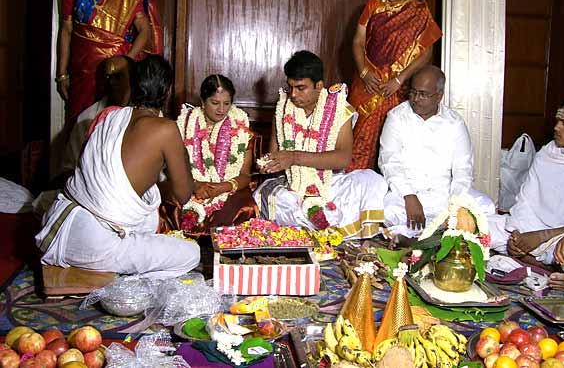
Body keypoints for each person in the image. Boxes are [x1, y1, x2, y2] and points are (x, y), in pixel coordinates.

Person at [35, 55, 200, 278]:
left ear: (132, 85)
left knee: (148, 209)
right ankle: (124, 287)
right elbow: (183, 194)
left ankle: (102, 264)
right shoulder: (166, 129)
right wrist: (182, 157)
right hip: (93, 242)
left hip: (56, 222)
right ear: (168, 90)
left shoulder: (110, 117)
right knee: (191, 253)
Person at [253, 50, 387, 239]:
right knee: (272, 196)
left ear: (319, 85)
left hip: (331, 183)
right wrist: (269, 165)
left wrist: (294, 157)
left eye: (301, 88)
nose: (293, 94)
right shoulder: (282, 109)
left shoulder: (339, 109)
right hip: (293, 184)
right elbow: (273, 156)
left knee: (372, 181)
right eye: (290, 87)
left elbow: (343, 159)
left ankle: (321, 229)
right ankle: (315, 231)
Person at [488, 98, 564, 293]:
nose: (557, 127)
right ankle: (535, 261)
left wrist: (542, 236)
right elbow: (526, 199)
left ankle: (534, 261)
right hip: (531, 229)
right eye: (557, 121)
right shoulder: (548, 152)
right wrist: (518, 233)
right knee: (480, 223)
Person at [347, 0, 442, 171]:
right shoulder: (373, 6)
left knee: (395, 144)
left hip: (397, 89)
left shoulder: (419, 13)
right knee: (360, 141)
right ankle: (357, 189)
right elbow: (358, 41)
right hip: (368, 86)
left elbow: (426, 53)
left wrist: (399, 80)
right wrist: (364, 72)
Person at [380, 66, 495, 239]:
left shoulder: (454, 123)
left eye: (423, 94)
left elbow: (463, 170)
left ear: (439, 96)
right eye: (412, 92)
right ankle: (433, 235)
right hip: (406, 195)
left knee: (487, 207)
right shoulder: (396, 117)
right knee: (387, 210)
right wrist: (409, 196)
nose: (416, 99)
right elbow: (389, 161)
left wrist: (455, 207)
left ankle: (418, 235)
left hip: (444, 195)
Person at [56, 0, 162, 120]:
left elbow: (144, 30)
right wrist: (62, 74)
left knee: (114, 123)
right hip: (83, 70)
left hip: (118, 74)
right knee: (80, 126)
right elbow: (66, 31)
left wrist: (126, 62)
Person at [159, 74, 257, 236]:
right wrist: (195, 185)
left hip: (227, 186)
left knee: (245, 206)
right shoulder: (183, 126)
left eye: (227, 104)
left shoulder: (241, 129)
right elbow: (171, 169)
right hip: (189, 185)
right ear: (203, 102)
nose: (221, 109)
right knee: (170, 198)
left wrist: (221, 188)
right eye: (215, 103)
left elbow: (245, 175)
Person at [62, 55, 133, 174]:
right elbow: (69, 168)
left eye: (118, 76)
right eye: (108, 77)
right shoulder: (86, 118)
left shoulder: (148, 115)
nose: (112, 82)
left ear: (133, 79)